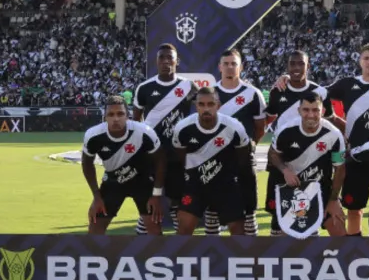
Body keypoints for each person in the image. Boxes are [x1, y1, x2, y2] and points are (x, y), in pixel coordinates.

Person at [278, 43, 369, 237]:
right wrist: (291, 79)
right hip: (355, 156)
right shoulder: (347, 84)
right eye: (366, 58)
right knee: (354, 208)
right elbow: (314, 94)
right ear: (359, 61)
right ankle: (354, 250)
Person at [264, 50, 343, 235]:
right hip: (282, 158)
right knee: (280, 219)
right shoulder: (278, 90)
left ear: (308, 66)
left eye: (301, 63)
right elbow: (267, 120)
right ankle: (278, 260)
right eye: (292, 64)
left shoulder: (320, 92)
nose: (297, 67)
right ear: (287, 66)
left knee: (315, 215)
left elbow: (330, 121)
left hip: (314, 160)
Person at [132, 43, 198, 235]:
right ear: (156, 61)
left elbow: (207, 106)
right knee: (149, 204)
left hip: (179, 157)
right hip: (153, 157)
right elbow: (136, 122)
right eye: (162, 57)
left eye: (170, 57)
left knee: (179, 205)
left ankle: (179, 248)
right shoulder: (144, 88)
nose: (166, 61)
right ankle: (145, 247)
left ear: (177, 61)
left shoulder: (188, 86)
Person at [171, 86, 251, 236]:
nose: (206, 109)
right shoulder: (183, 128)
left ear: (218, 106)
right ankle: (181, 259)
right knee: (184, 228)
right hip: (196, 186)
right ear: (196, 106)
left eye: (210, 104)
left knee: (239, 231)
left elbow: (243, 159)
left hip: (226, 185)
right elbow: (180, 159)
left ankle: (240, 259)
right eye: (201, 104)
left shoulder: (234, 127)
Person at [82, 95, 164, 235]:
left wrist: (156, 195)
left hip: (143, 183)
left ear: (128, 116)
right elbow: (87, 164)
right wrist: (96, 197)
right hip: (113, 182)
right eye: (111, 114)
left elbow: (160, 161)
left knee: (155, 231)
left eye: (120, 114)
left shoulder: (145, 132)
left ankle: (158, 257)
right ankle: (96, 257)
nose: (115, 118)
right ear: (104, 117)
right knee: (95, 229)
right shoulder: (93, 136)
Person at [214, 49, 267, 236]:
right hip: (215, 160)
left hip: (243, 159)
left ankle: (251, 255)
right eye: (226, 63)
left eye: (233, 63)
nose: (230, 67)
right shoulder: (211, 93)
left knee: (249, 209)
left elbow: (260, 128)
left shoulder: (253, 94)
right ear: (219, 67)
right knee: (213, 210)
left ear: (241, 67)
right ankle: (211, 257)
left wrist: (249, 147)